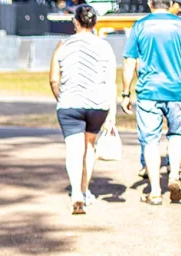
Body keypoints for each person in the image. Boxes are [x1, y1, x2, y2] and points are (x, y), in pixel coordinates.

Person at [49, 5, 117, 214]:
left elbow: (53, 79)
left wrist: (61, 98)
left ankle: (76, 194)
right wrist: (112, 114)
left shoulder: (63, 45)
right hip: (97, 104)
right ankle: (85, 190)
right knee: (89, 146)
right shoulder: (104, 46)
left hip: (69, 103)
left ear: (75, 22)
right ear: (95, 23)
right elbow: (110, 82)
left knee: (73, 149)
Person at [121, 0, 181, 205]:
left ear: (150, 3)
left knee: (150, 141)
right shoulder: (180, 24)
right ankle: (174, 175)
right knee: (177, 135)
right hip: (178, 90)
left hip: (149, 91)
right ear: (171, 3)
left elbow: (129, 60)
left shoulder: (140, 26)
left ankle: (155, 192)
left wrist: (125, 93)